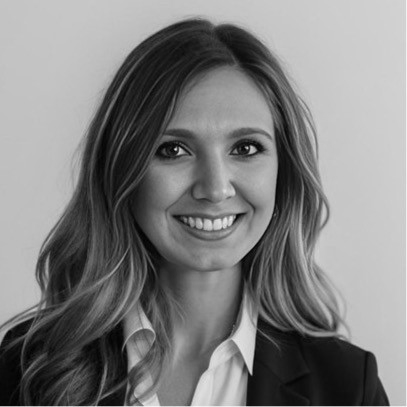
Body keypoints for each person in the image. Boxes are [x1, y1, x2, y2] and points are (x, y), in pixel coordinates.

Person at [0, 18, 389, 406]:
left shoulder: (348, 387)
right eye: (173, 150)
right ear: (121, 171)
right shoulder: (26, 369)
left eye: (246, 148)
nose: (216, 189)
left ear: (282, 173)